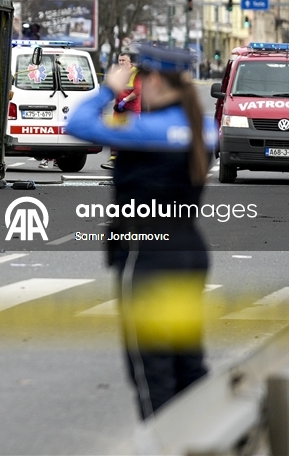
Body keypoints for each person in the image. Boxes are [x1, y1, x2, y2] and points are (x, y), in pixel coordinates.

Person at [65, 43, 217, 419]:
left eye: (140, 78)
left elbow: (77, 124)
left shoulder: (147, 130)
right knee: (189, 366)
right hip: (189, 253)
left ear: (154, 81)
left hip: (147, 256)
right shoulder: (205, 129)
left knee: (153, 376)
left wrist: (108, 89)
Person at [100, 50, 142, 170]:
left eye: (124, 60)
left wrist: (125, 100)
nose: (121, 62)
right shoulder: (118, 72)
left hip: (132, 109)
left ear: (130, 61)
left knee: (132, 135)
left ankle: (133, 161)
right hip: (119, 108)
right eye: (120, 60)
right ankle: (113, 160)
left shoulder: (135, 73)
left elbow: (138, 91)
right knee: (114, 133)